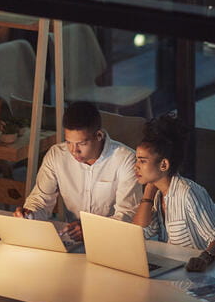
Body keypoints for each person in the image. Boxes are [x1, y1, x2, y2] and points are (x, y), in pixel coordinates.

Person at [14, 101, 140, 241]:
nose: (74, 151)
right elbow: (41, 200)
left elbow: (128, 215)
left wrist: (90, 229)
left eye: (82, 143)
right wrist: (29, 214)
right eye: (69, 142)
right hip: (73, 240)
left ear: (98, 135)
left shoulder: (125, 159)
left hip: (113, 241)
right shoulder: (57, 155)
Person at [132, 114, 215, 271]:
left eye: (142, 161)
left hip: (204, 274)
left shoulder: (188, 193)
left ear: (164, 165)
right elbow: (141, 231)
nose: (136, 166)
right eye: (136, 159)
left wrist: (204, 259)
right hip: (176, 271)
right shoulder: (158, 194)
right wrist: (148, 193)